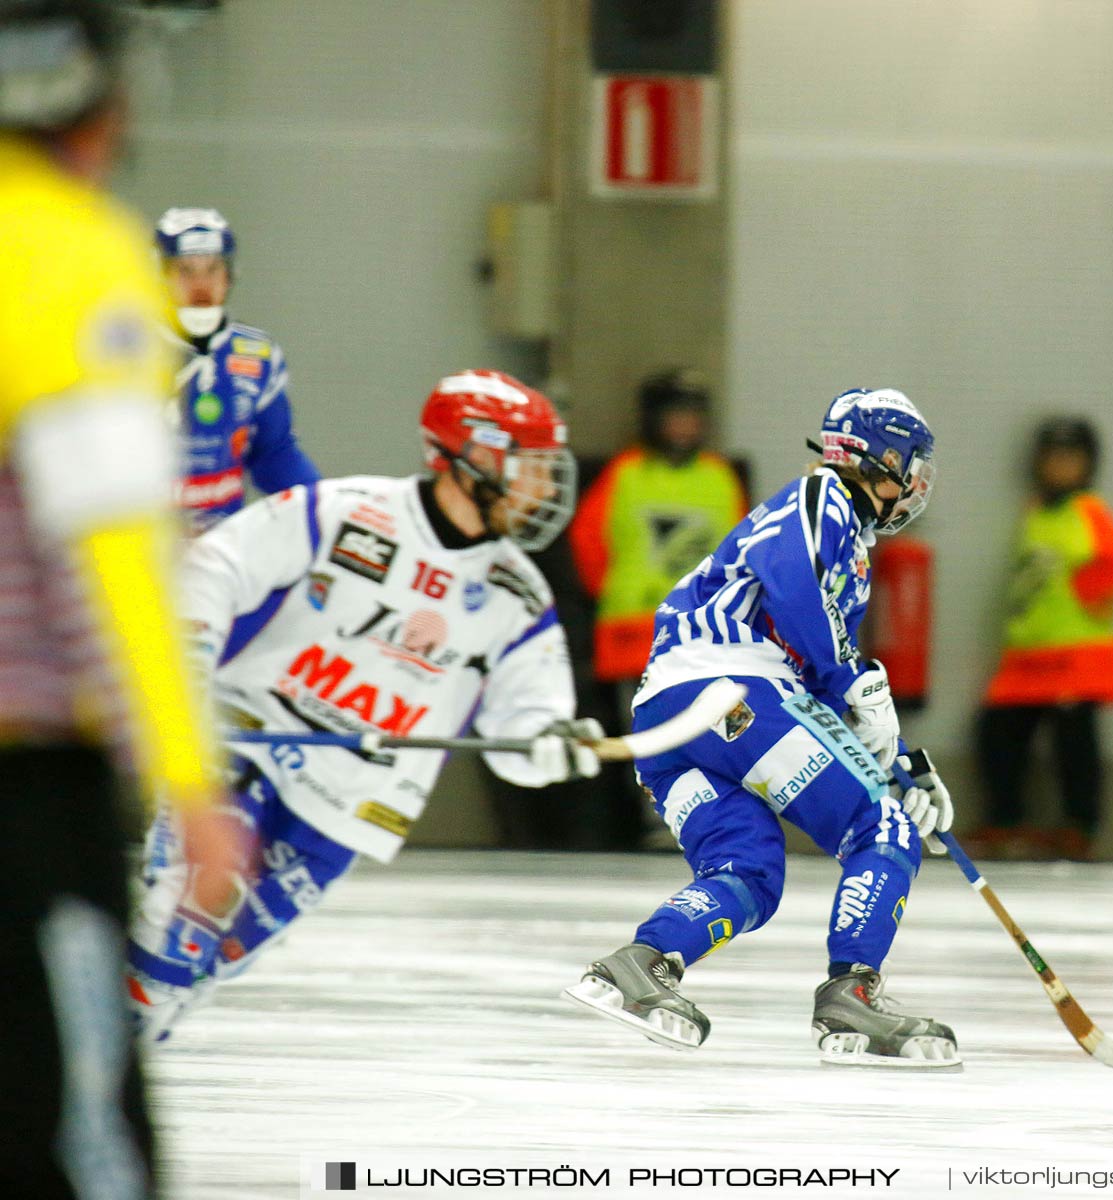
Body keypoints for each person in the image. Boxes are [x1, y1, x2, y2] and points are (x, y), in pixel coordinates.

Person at [126, 370, 605, 1043]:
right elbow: (218, 565)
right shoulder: (343, 511)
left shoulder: (517, 595)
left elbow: (522, 721)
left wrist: (546, 742)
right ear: (466, 458)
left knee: (210, 966)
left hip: (352, 806)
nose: (544, 489)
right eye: (529, 467)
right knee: (175, 933)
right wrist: (191, 654)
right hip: (247, 744)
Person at [0, 3, 243, 1196]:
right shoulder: (64, 252)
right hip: (23, 791)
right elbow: (113, 558)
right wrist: (188, 785)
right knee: (78, 1135)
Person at [564, 388, 959, 1069]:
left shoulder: (839, 529)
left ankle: (640, 964)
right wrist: (856, 683)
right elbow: (799, 599)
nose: (918, 482)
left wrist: (899, 766)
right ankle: (852, 993)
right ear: (885, 456)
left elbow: (811, 682)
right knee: (882, 829)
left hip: (674, 710)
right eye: (913, 463)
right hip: (733, 689)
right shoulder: (825, 500)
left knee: (748, 869)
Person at [564, 369, 747, 848]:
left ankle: (704, 823)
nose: (684, 428)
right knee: (646, 734)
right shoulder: (624, 475)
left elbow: (743, 553)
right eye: (674, 418)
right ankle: (657, 823)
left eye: (693, 418)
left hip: (704, 637)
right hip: (635, 634)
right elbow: (588, 544)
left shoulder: (719, 478)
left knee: (707, 732)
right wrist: (623, 593)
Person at [970, 417, 1113, 862]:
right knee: (997, 733)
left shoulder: (1089, 512)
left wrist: (1090, 592)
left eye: (1071, 460)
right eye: (1053, 459)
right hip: (1029, 654)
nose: (1060, 469)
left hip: (1076, 655)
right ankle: (1006, 820)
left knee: (1074, 745)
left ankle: (1079, 826)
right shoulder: (1035, 512)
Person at [155, 205, 320, 533]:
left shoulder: (256, 354)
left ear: (229, 275)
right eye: (185, 270)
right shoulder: (130, 349)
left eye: (212, 269)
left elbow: (274, 454)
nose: (200, 285)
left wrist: (324, 510)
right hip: (145, 546)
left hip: (222, 547)